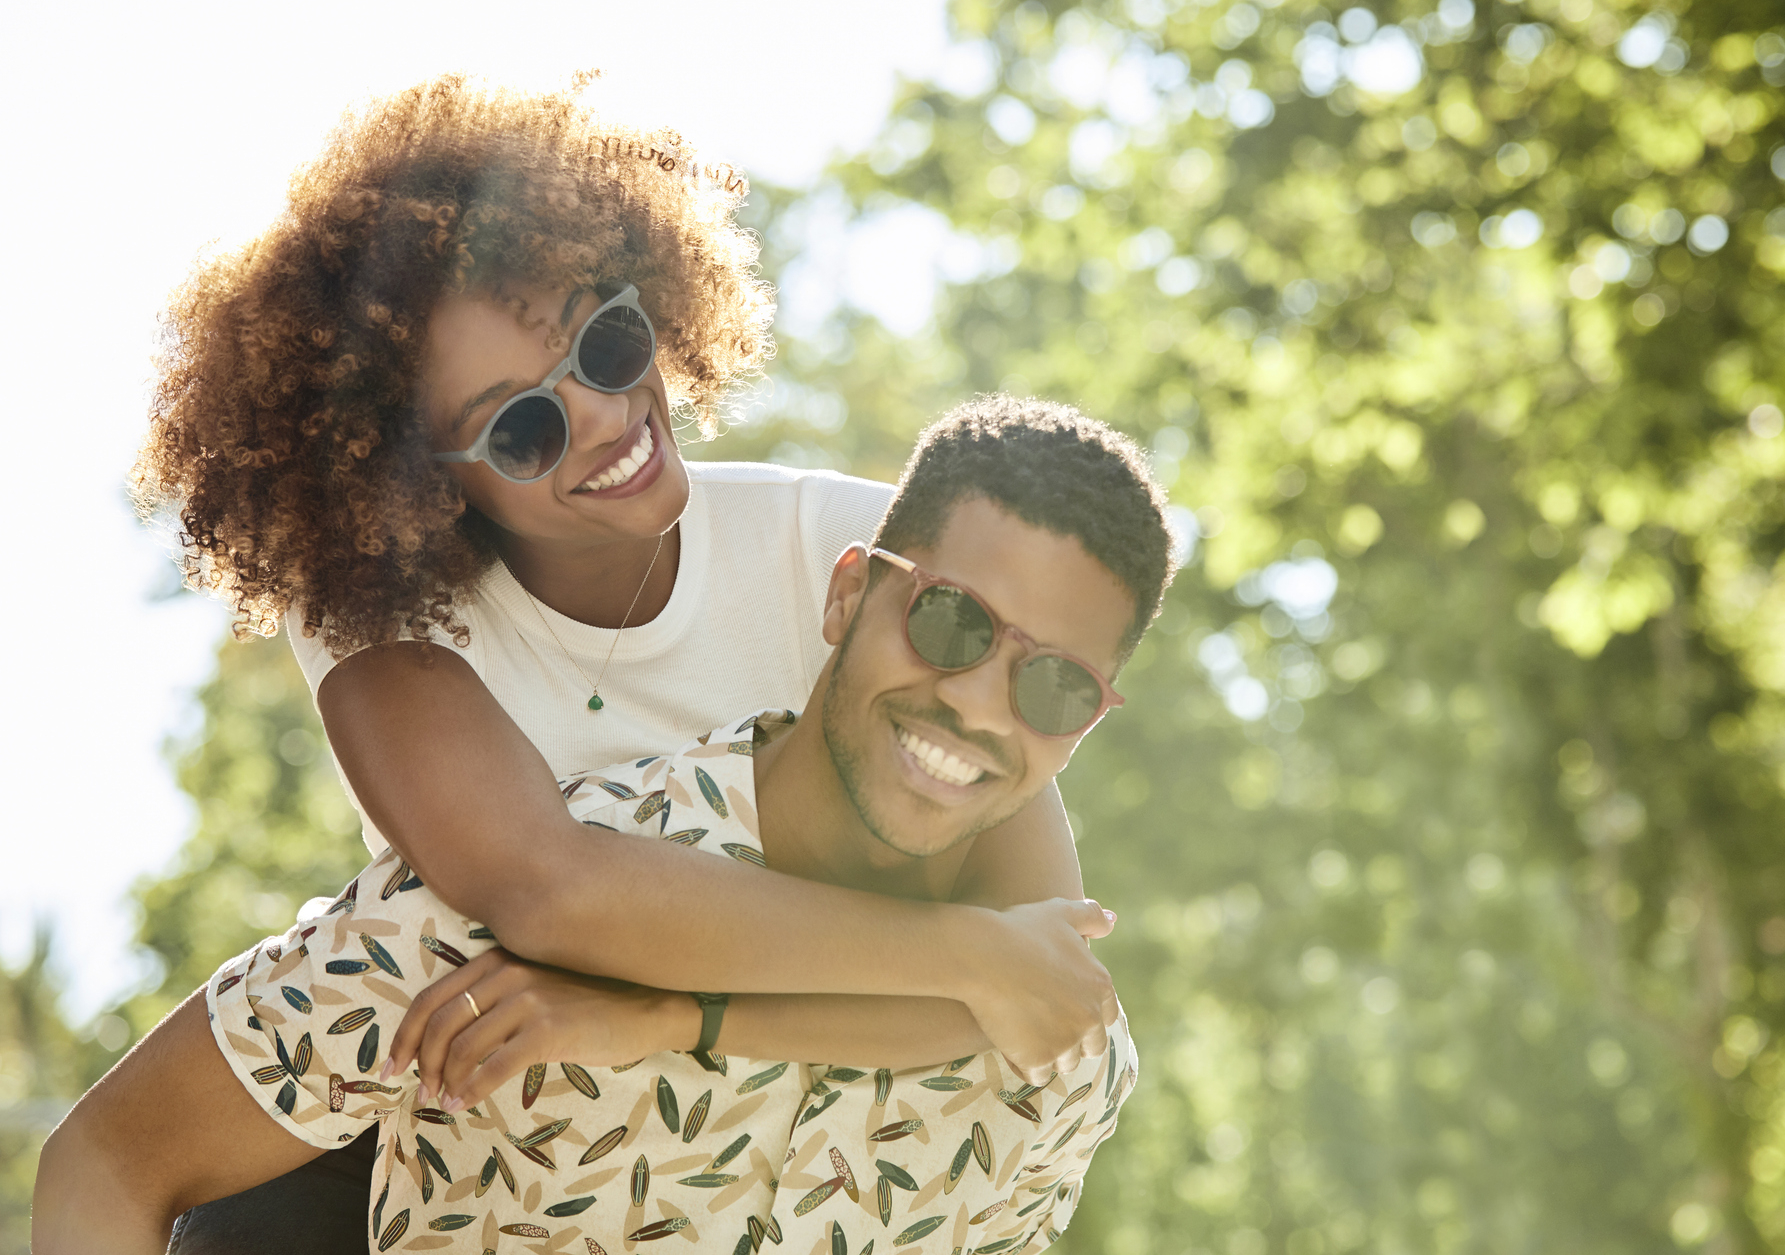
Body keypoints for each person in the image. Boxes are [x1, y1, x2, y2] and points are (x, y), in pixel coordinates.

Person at [121, 78, 1116, 1248]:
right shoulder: (381, 620)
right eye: (519, 426)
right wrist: (956, 952)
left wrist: (668, 1014)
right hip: (439, 1116)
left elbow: (1038, 992)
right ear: (415, 482)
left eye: (606, 342)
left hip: (718, 1139)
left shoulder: (863, 564)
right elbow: (546, 888)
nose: (600, 415)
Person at [37, 397, 1172, 1255]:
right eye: (951, 622)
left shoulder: (1057, 1083)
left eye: (1059, 688)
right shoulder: (466, 903)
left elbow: (1032, 990)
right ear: (848, 598)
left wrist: (681, 1018)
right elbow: (110, 1155)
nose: (979, 702)